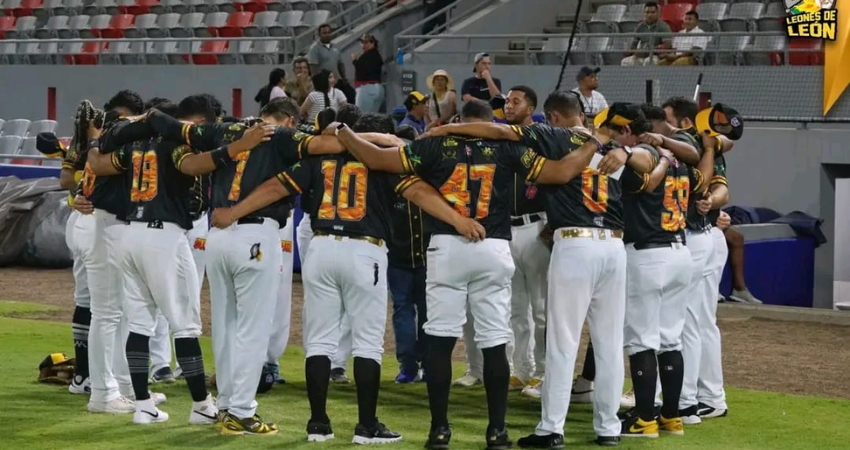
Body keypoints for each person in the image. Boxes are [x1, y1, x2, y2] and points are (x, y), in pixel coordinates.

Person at [341, 98, 609, 450]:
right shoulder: (507, 148)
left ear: (460, 120)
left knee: (439, 340)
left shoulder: (435, 145)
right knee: (495, 340)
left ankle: (439, 431)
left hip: (447, 245)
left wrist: (344, 131)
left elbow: (375, 159)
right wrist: (594, 142)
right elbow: (559, 173)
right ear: (487, 121)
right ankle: (497, 432)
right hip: (493, 245)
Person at [422, 92, 656, 448]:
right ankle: (607, 428)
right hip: (613, 245)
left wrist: (444, 132)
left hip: (575, 242)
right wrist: (627, 151)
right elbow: (650, 169)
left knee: (563, 340)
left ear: (555, 116)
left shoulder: (559, 136)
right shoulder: (615, 151)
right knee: (609, 343)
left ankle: (551, 428)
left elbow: (499, 131)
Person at [210, 114, 462, 445]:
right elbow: (417, 193)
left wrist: (234, 211)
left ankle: (318, 424)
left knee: (319, 341)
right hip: (364, 250)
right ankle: (367, 426)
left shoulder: (318, 158)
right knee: (368, 342)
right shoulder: (382, 160)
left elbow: (275, 186)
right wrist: (457, 219)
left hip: (321, 247)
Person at [86, 101, 234, 425]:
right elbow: (194, 166)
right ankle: (201, 406)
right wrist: (231, 152)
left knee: (139, 324)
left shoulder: (136, 144)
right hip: (163, 236)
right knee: (185, 325)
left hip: (129, 233)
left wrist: (94, 139)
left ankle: (143, 406)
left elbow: (97, 165)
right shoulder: (177, 143)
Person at [599, 103, 699, 438]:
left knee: (642, 341)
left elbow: (637, 181)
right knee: (671, 340)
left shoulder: (635, 156)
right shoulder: (678, 157)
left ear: (627, 131)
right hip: (680, 251)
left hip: (646, 254)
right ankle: (671, 417)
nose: (611, 139)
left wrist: (629, 152)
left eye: (616, 132)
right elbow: (695, 157)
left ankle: (645, 419)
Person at [78, 91, 150, 415]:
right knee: (107, 314)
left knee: (113, 313)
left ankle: (117, 387)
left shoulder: (100, 137)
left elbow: (82, 187)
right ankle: (103, 393)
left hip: (103, 222)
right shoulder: (112, 138)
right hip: (105, 225)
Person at [660, 96, 716, 425]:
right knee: (686, 325)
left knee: (680, 326)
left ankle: (681, 401)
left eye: (667, 120)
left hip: (690, 238)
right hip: (690, 239)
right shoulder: (700, 146)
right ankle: (684, 400)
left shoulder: (695, 146)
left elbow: (715, 185)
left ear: (681, 122)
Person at [502, 85, 548, 399]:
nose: (508, 105)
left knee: (542, 309)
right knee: (516, 308)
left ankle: (545, 372)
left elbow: (560, 182)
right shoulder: (502, 140)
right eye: (507, 100)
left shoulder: (544, 138)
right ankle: (522, 369)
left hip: (538, 227)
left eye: (515, 101)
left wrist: (555, 223)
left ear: (529, 107)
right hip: (507, 229)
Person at [60, 103, 98, 396]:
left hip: (83, 220)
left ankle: (86, 375)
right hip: (87, 221)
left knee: (88, 300)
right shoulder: (84, 144)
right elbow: (64, 180)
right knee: (101, 303)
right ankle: (89, 374)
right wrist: (87, 178)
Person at [621, 2, 672, 66]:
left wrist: (650, 50)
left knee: (648, 61)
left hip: (655, 55)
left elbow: (667, 45)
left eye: (652, 12)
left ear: (658, 13)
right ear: (644, 13)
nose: (649, 15)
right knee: (626, 61)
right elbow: (633, 45)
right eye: (647, 12)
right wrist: (635, 52)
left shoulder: (663, 26)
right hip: (641, 54)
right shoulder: (640, 26)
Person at [352, 33, 384, 113]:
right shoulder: (375, 54)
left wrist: (354, 61)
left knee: (360, 117)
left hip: (367, 88)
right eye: (362, 42)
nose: (363, 45)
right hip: (376, 88)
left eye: (366, 42)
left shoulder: (370, 55)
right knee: (371, 120)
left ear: (372, 43)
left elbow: (363, 70)